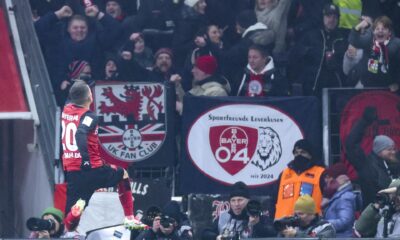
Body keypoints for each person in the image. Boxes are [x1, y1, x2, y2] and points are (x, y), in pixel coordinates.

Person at [61, 81, 142, 231]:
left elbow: (73, 97)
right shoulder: (90, 116)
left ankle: (75, 212)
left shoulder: (66, 111)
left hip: (73, 173)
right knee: (122, 174)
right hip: (93, 168)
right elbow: (80, 133)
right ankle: (129, 218)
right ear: (89, 97)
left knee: (69, 224)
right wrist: (85, 160)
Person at [346, 106, 400, 208]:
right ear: (379, 151)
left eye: (394, 149)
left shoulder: (395, 162)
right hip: (374, 215)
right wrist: (364, 121)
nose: (393, 152)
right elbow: (351, 145)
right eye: (389, 149)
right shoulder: (366, 165)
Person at [288, 3, 347, 97]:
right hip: (312, 86)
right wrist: (317, 54)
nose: (331, 20)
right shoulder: (311, 35)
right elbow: (296, 55)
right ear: (323, 17)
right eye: (328, 16)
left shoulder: (342, 39)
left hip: (334, 87)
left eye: (335, 17)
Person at [202, 181, 276, 239]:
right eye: (233, 200)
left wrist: (256, 225)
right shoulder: (224, 216)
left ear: (248, 201)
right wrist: (217, 237)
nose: (236, 204)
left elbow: (273, 234)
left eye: (240, 200)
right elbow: (205, 233)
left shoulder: (258, 217)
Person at [275, 139, 326, 219]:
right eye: (296, 153)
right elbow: (274, 198)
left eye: (303, 152)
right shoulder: (284, 173)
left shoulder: (320, 173)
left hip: (309, 225)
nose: (299, 155)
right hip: (284, 223)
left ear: (310, 154)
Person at [349, 15, 400, 91]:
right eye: (377, 29)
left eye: (384, 28)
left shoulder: (396, 44)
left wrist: (398, 83)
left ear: (389, 32)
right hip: (369, 87)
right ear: (373, 31)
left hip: (390, 89)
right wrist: (358, 27)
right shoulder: (369, 41)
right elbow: (354, 41)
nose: (380, 31)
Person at [322, 162, 357, 237]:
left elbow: (345, 221)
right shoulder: (337, 196)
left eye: (329, 177)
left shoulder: (344, 197)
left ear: (340, 179)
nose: (326, 180)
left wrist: (323, 224)